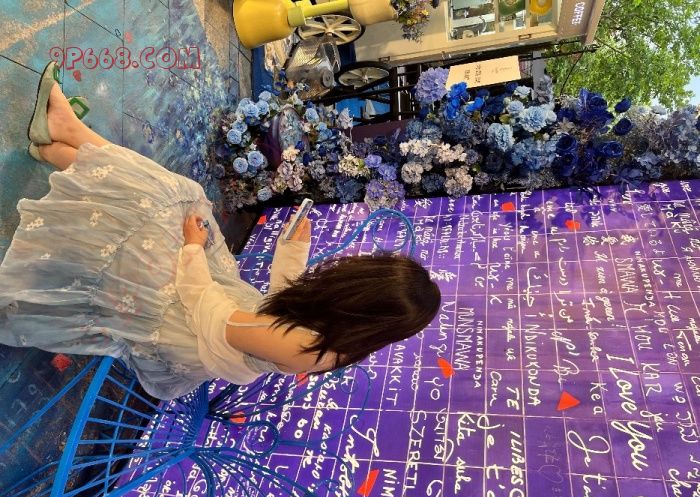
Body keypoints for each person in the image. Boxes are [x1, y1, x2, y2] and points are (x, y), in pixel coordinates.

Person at [0, 62, 441, 400]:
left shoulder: (311, 347)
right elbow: (279, 308)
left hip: (191, 324)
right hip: (213, 308)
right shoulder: (337, 333)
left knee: (158, 205)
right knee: (178, 196)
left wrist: (193, 250)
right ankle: (58, 142)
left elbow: (213, 318)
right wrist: (293, 250)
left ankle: (62, 138)